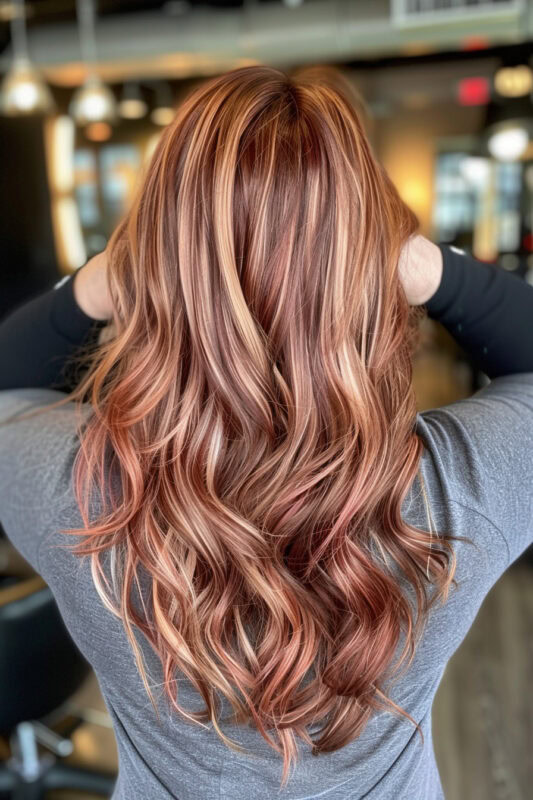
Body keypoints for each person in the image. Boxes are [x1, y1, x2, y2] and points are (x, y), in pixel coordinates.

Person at [0, 65, 532, 800]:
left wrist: (102, 278)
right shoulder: (460, 491)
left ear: (154, 271)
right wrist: (423, 264)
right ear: (368, 272)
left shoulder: (77, 488)